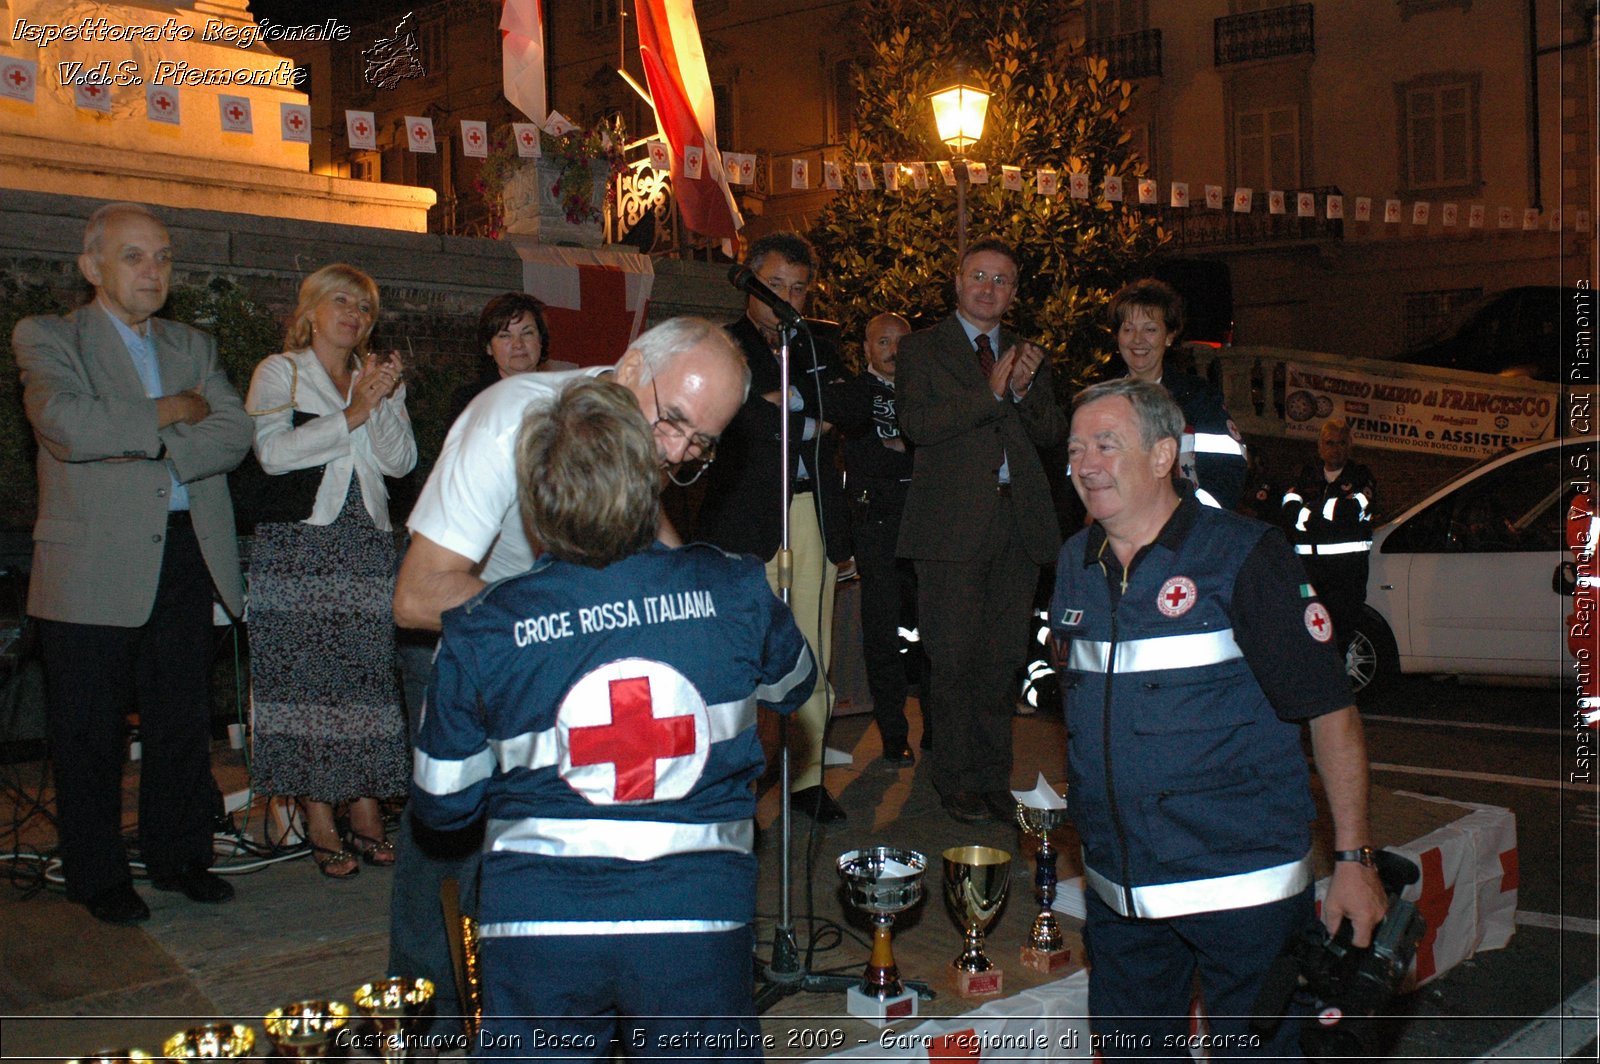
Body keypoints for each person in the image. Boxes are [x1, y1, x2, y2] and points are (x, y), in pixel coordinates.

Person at [410, 378, 816, 1057]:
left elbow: (443, 806)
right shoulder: (735, 587)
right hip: (700, 922)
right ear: (649, 483)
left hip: (539, 934)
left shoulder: (480, 629)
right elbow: (794, 688)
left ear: (536, 501)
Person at [1049, 378, 1388, 1059]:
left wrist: (1353, 859)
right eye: (1076, 447)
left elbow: (1330, 711)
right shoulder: (1072, 565)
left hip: (1243, 898)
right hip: (1123, 900)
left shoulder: (1243, 556)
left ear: (1162, 455)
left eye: (1107, 445)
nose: (1086, 463)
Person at [13, 202, 252, 924]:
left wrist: (159, 426)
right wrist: (176, 411)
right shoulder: (49, 337)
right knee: (90, 732)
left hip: (184, 553)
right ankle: (97, 875)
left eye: (164, 258)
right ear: (92, 267)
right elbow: (68, 425)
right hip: (91, 563)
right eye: (134, 257)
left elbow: (236, 434)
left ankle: (180, 855)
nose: (154, 272)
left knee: (181, 722)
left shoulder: (192, 345)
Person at [244, 264, 417, 879]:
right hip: (300, 547)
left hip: (365, 542)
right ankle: (320, 816)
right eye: (341, 302)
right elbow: (271, 454)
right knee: (307, 681)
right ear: (311, 310)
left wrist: (383, 401)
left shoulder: (370, 377)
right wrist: (350, 413)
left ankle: (366, 806)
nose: (353, 315)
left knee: (365, 680)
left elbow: (400, 464)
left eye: (364, 308)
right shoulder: (279, 372)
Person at [896, 238, 1066, 824]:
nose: (989, 288)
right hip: (949, 529)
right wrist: (990, 393)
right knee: (952, 659)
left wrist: (1021, 391)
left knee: (1001, 662)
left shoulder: (1026, 353)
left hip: (1016, 524)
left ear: (1014, 291)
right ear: (958, 282)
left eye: (1002, 280)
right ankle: (955, 779)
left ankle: (994, 778)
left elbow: (1049, 433)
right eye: (979, 276)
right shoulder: (921, 349)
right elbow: (917, 424)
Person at [693, 232, 851, 823]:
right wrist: (807, 417)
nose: (788, 297)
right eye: (776, 286)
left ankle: (805, 778)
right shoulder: (721, 345)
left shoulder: (816, 343)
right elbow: (736, 419)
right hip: (745, 519)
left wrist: (787, 409)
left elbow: (853, 404)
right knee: (742, 651)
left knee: (812, 643)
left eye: (798, 288)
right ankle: (737, 779)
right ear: (751, 284)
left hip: (813, 509)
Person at [830, 311, 924, 763]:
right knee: (882, 632)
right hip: (876, 525)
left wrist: (902, 453)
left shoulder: (925, 391)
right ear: (867, 349)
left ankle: (937, 730)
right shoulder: (855, 394)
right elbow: (867, 454)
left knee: (934, 630)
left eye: (901, 344)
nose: (892, 352)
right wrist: (901, 455)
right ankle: (893, 733)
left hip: (925, 522)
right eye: (883, 342)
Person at [1108, 278, 1247, 510]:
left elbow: (1229, 472)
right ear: (1117, 337)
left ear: (1169, 336)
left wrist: (1187, 518)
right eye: (1128, 329)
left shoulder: (1198, 399)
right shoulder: (1100, 403)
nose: (1137, 339)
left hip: (1188, 534)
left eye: (1150, 329)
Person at [1281, 418, 1376, 657]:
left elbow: (1353, 511)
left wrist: (1309, 514)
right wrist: (1327, 514)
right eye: (1329, 442)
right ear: (1320, 446)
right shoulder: (1307, 474)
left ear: (1349, 446)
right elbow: (1287, 509)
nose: (1335, 448)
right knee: (1306, 638)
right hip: (1308, 574)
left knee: (1338, 643)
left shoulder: (1361, 477)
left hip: (1346, 579)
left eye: (1341, 443)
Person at [446, 293, 551, 424]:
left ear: (541, 340)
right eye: (505, 336)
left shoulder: (561, 396)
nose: (518, 344)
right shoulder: (471, 401)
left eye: (527, 333)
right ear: (489, 347)